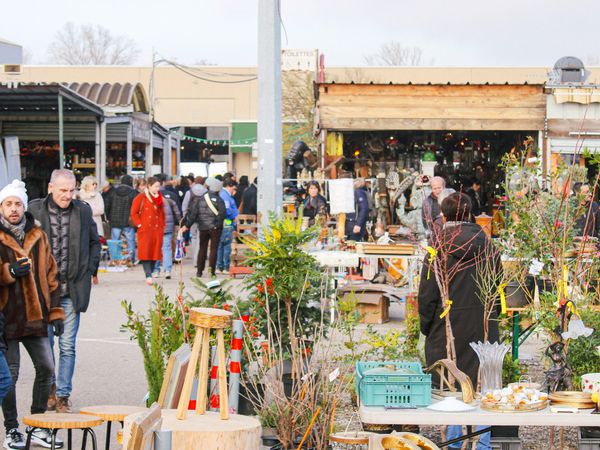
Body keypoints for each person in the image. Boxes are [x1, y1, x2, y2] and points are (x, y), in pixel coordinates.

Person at [418, 192, 500, 450]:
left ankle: (454, 443)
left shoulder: (438, 248)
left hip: (447, 329)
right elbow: (496, 287)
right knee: (482, 385)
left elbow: (428, 294)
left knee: (450, 386)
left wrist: (426, 326)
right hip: (482, 327)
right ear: (471, 215)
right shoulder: (488, 247)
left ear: (444, 216)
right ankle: (483, 444)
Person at [28, 169, 101, 415]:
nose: (68, 195)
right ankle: (49, 388)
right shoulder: (35, 210)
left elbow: (94, 241)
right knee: (45, 345)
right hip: (43, 293)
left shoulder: (83, 210)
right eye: (63, 190)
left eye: (71, 190)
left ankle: (63, 395)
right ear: (50, 187)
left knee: (67, 346)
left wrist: (90, 268)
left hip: (72, 291)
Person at [0, 180, 64, 449]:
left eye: (17, 204)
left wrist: (57, 313)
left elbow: (52, 275)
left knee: (47, 368)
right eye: (8, 204)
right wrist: (8, 272)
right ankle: (12, 428)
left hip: (36, 316)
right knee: (10, 374)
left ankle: (38, 426)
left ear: (24, 206)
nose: (13, 209)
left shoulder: (38, 234)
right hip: (7, 317)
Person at [181, 178, 226, 278]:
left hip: (203, 227)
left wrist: (186, 225)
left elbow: (193, 215)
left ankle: (199, 271)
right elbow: (222, 214)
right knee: (214, 249)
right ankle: (211, 271)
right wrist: (217, 225)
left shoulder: (200, 199)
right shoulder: (220, 200)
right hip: (215, 228)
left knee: (202, 248)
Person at [130, 177, 165, 285]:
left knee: (155, 252)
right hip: (145, 229)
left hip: (157, 229)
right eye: (156, 186)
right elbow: (134, 212)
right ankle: (148, 275)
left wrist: (162, 226)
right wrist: (139, 224)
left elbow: (162, 214)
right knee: (145, 252)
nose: (158, 189)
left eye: (159, 186)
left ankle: (152, 271)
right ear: (149, 186)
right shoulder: (141, 197)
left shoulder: (160, 198)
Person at [104, 175, 138, 262]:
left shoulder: (113, 192)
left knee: (115, 241)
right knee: (130, 241)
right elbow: (136, 208)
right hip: (128, 222)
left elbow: (107, 205)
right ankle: (131, 260)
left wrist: (107, 217)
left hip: (115, 220)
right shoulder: (133, 193)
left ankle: (116, 259)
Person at [77, 176, 105, 284]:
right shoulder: (79, 195)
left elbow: (101, 209)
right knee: (84, 251)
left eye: (95, 185)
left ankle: (94, 273)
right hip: (83, 225)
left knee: (95, 251)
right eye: (93, 184)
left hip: (96, 225)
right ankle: (85, 274)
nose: (94, 186)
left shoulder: (97, 195)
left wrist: (87, 211)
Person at [154, 192, 181, 279]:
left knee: (156, 249)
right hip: (168, 227)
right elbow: (178, 214)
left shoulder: (151, 202)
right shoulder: (169, 201)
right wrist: (180, 223)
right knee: (167, 249)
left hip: (156, 228)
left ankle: (156, 270)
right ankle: (167, 270)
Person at [182, 177, 207, 267]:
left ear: (195, 183)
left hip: (191, 219)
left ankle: (194, 259)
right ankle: (198, 259)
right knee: (200, 238)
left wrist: (185, 217)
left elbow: (184, 206)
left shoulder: (189, 192)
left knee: (194, 238)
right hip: (203, 218)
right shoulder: (206, 192)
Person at [217, 179, 239, 274]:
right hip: (227, 222)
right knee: (225, 246)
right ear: (229, 186)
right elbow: (227, 210)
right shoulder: (225, 196)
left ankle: (220, 266)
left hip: (225, 223)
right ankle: (225, 267)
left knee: (221, 246)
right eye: (234, 187)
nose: (234, 190)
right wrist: (234, 215)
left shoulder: (224, 195)